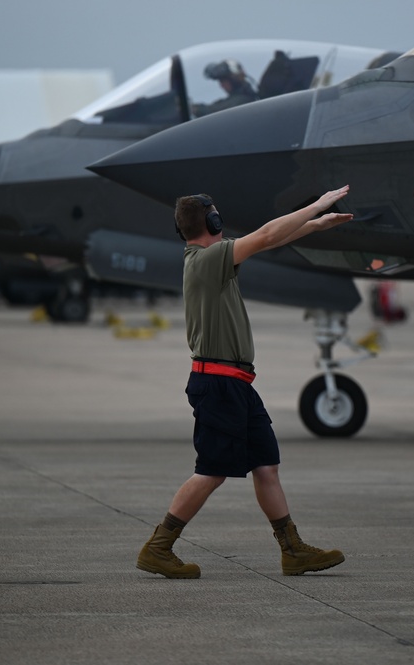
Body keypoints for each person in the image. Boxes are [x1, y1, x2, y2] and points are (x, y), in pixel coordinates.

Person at [136, 186, 354, 579]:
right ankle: (158, 547)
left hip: (236, 384)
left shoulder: (213, 260)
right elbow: (267, 235)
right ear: (212, 223)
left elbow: (270, 240)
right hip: (218, 385)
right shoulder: (205, 260)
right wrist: (316, 204)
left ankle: (293, 550)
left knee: (266, 465)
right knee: (211, 471)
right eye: (218, 216)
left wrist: (315, 224)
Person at [192, 59, 259, 117]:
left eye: (223, 81)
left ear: (233, 80)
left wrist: (194, 109)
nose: (221, 86)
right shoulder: (245, 97)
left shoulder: (242, 101)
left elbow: (213, 112)